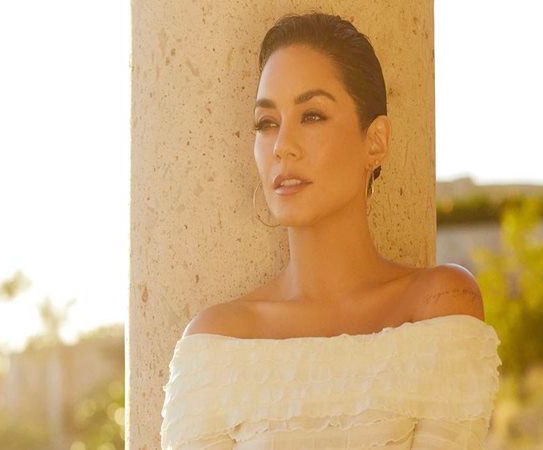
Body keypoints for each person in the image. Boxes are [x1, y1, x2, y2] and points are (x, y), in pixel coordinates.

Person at [161, 11, 501, 449]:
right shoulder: (215, 345)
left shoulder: (439, 305)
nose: (283, 146)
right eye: (267, 123)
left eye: (312, 116)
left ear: (375, 141)